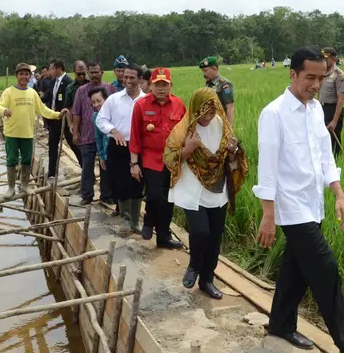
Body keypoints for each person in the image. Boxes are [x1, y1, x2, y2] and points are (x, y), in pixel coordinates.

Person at [253, 47, 344, 353]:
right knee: (325, 267)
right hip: (291, 207)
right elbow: (268, 170)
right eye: (309, 77)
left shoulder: (316, 110)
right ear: (293, 74)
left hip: (312, 204)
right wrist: (268, 215)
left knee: (296, 268)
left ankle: (280, 325)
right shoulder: (273, 114)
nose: (316, 84)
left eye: (321, 77)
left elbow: (325, 156)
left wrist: (338, 194)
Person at [164, 88, 248, 299]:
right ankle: (193, 265)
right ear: (195, 110)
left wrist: (233, 152)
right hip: (192, 188)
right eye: (204, 113)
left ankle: (207, 280)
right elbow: (168, 159)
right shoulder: (183, 129)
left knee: (215, 237)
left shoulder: (222, 124)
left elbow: (234, 159)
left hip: (217, 188)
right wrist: (188, 149)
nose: (208, 118)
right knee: (201, 232)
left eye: (212, 113)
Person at [129, 67, 185, 249]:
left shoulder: (179, 105)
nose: (161, 89)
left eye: (164, 85)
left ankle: (163, 237)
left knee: (169, 200)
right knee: (154, 195)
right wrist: (134, 163)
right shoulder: (141, 106)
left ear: (171, 86)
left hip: (173, 160)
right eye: (157, 85)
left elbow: (186, 133)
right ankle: (148, 220)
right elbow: (135, 136)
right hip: (150, 159)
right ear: (150, 86)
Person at [0, 63, 69, 198]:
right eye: (21, 74)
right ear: (16, 76)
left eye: (26, 74)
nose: (24, 77)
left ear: (30, 76)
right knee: (11, 160)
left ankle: (24, 185)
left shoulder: (32, 93)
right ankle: (11, 188)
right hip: (12, 133)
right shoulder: (8, 92)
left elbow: (42, 109)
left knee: (26, 160)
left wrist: (57, 114)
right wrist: (4, 111)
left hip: (27, 133)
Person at [95, 65, 147, 234]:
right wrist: (113, 130)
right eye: (126, 77)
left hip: (140, 148)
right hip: (119, 146)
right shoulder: (114, 99)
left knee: (138, 184)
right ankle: (125, 219)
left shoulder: (146, 100)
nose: (128, 81)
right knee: (121, 183)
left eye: (132, 77)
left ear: (140, 79)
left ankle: (135, 222)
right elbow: (101, 119)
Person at [71, 61, 116, 205]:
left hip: (106, 136)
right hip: (87, 135)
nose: (94, 75)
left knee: (106, 166)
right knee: (87, 166)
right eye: (91, 72)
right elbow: (76, 113)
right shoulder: (81, 91)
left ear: (102, 72)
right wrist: (75, 132)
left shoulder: (111, 89)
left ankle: (106, 195)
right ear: (88, 73)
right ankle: (87, 195)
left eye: (97, 72)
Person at [47, 58, 82, 178]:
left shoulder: (68, 82)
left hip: (66, 120)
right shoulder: (52, 82)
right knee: (52, 145)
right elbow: (49, 98)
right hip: (54, 119)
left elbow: (72, 103)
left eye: (52, 68)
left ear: (59, 69)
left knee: (74, 145)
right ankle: (52, 172)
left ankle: (85, 169)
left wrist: (71, 121)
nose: (50, 71)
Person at [318, 48, 344, 157]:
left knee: (333, 139)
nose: (325, 61)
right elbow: (319, 93)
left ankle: (337, 162)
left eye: (327, 58)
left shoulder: (339, 75)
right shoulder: (322, 73)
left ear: (334, 58)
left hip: (333, 109)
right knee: (321, 138)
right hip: (322, 108)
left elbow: (340, 100)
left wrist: (334, 121)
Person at [199, 56, 235, 124]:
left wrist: (228, 129)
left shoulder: (224, 85)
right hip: (209, 123)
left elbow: (230, 108)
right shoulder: (208, 84)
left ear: (215, 68)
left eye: (205, 71)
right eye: (202, 71)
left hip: (220, 123)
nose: (204, 74)